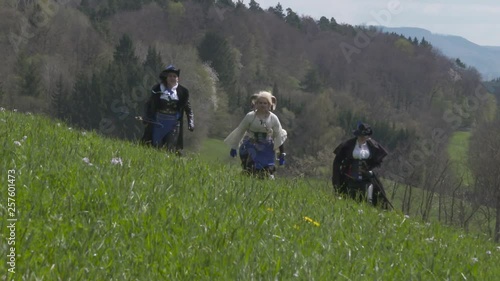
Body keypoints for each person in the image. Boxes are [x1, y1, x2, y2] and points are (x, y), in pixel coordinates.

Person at [224, 91, 287, 179]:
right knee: (250, 169)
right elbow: (240, 131)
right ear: (256, 104)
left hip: (267, 148)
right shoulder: (250, 116)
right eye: (260, 103)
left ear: (269, 105)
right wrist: (234, 147)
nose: (262, 105)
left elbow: (279, 135)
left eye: (265, 103)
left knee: (267, 170)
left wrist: (282, 154)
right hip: (251, 146)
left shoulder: (273, 118)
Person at [331, 122, 391, 208]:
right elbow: (337, 162)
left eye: (365, 136)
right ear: (357, 135)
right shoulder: (348, 145)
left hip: (366, 179)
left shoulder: (372, 146)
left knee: (369, 200)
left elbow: (378, 161)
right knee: (348, 201)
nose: (363, 138)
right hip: (349, 178)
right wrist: (337, 178)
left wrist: (370, 168)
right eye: (361, 136)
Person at [141, 65, 194, 155]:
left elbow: (188, 109)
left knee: (170, 147)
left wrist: (191, 122)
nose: (172, 78)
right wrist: (146, 116)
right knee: (156, 146)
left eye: (174, 76)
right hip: (158, 122)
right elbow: (148, 104)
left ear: (178, 78)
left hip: (173, 124)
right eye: (170, 76)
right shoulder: (157, 89)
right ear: (166, 77)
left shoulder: (183, 92)